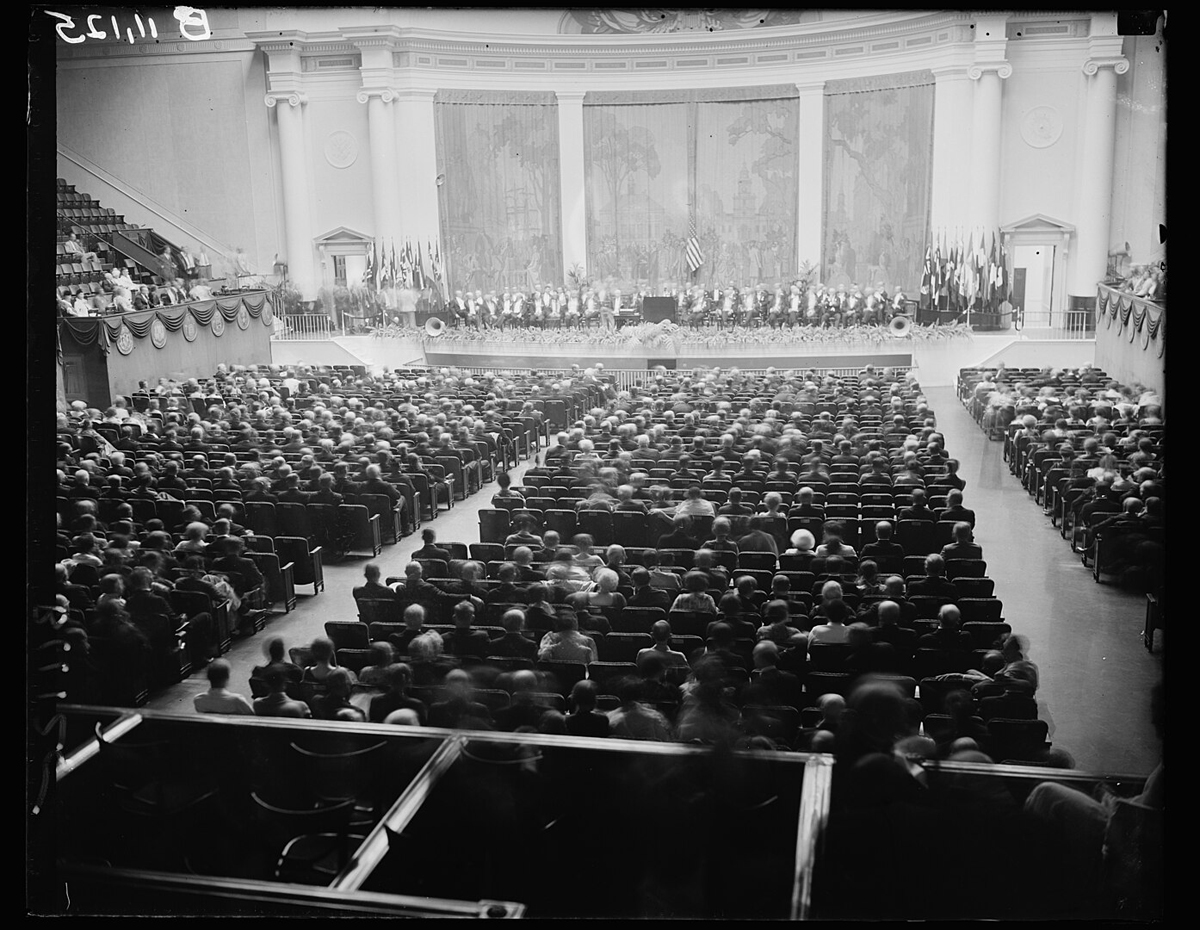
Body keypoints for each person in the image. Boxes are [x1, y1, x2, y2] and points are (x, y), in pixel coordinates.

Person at [427, 669, 493, 729]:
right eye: (454, 689)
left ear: (468, 688)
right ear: (447, 688)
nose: (458, 693)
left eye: (461, 688)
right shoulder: (436, 710)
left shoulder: (480, 710)